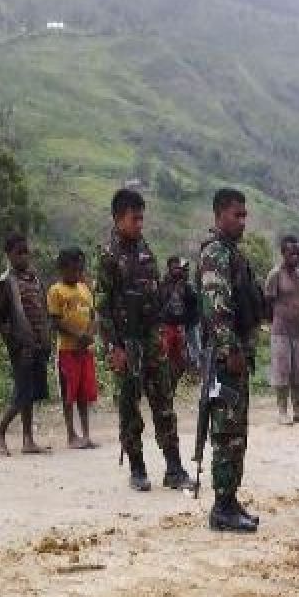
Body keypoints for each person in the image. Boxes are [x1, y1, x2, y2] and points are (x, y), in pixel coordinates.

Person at [96, 188, 195, 492]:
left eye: (142, 218)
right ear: (118, 218)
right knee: (129, 407)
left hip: (151, 338)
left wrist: (161, 335)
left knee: (163, 403)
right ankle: (137, 469)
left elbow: (153, 296)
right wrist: (114, 347)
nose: (140, 224)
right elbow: (102, 306)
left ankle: (174, 468)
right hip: (124, 341)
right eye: (134, 218)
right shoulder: (108, 256)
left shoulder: (145, 250)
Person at [199, 188, 263, 533]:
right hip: (225, 360)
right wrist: (230, 350)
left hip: (236, 356)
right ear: (220, 214)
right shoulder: (215, 255)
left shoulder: (232, 254)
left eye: (244, 215)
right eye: (236, 215)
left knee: (236, 432)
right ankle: (222, 507)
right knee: (226, 433)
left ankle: (229, 498)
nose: (242, 221)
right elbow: (215, 309)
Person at [0, 233, 53, 456]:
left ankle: (28, 439)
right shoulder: (5, 282)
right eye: (18, 253)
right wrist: (14, 342)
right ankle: (0, 431)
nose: (23, 256)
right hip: (21, 346)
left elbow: (42, 310)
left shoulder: (35, 279)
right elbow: (0, 318)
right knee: (23, 392)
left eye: (25, 251)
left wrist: (45, 339)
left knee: (32, 392)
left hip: (38, 343)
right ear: (8, 255)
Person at [47, 247, 99, 449]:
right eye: (73, 267)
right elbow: (56, 321)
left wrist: (89, 334)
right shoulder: (56, 290)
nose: (77, 271)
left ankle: (86, 434)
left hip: (85, 350)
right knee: (69, 392)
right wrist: (78, 336)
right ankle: (71, 435)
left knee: (84, 393)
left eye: (80, 267)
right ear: (62, 268)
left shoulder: (85, 288)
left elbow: (93, 315)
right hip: (68, 350)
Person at [265, 235, 299, 425]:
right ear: (282, 253)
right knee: (282, 371)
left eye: (297, 253)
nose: (295, 256)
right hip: (280, 330)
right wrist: (272, 322)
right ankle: (282, 412)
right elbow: (267, 302)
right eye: (291, 253)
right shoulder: (275, 274)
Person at [158, 256, 200, 392]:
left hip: (182, 326)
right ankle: (165, 384)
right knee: (164, 357)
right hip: (167, 326)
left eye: (179, 267)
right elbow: (160, 301)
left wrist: (185, 284)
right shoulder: (164, 284)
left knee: (181, 359)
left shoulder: (186, 285)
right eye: (174, 267)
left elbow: (194, 302)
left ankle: (177, 382)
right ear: (169, 268)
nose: (177, 270)